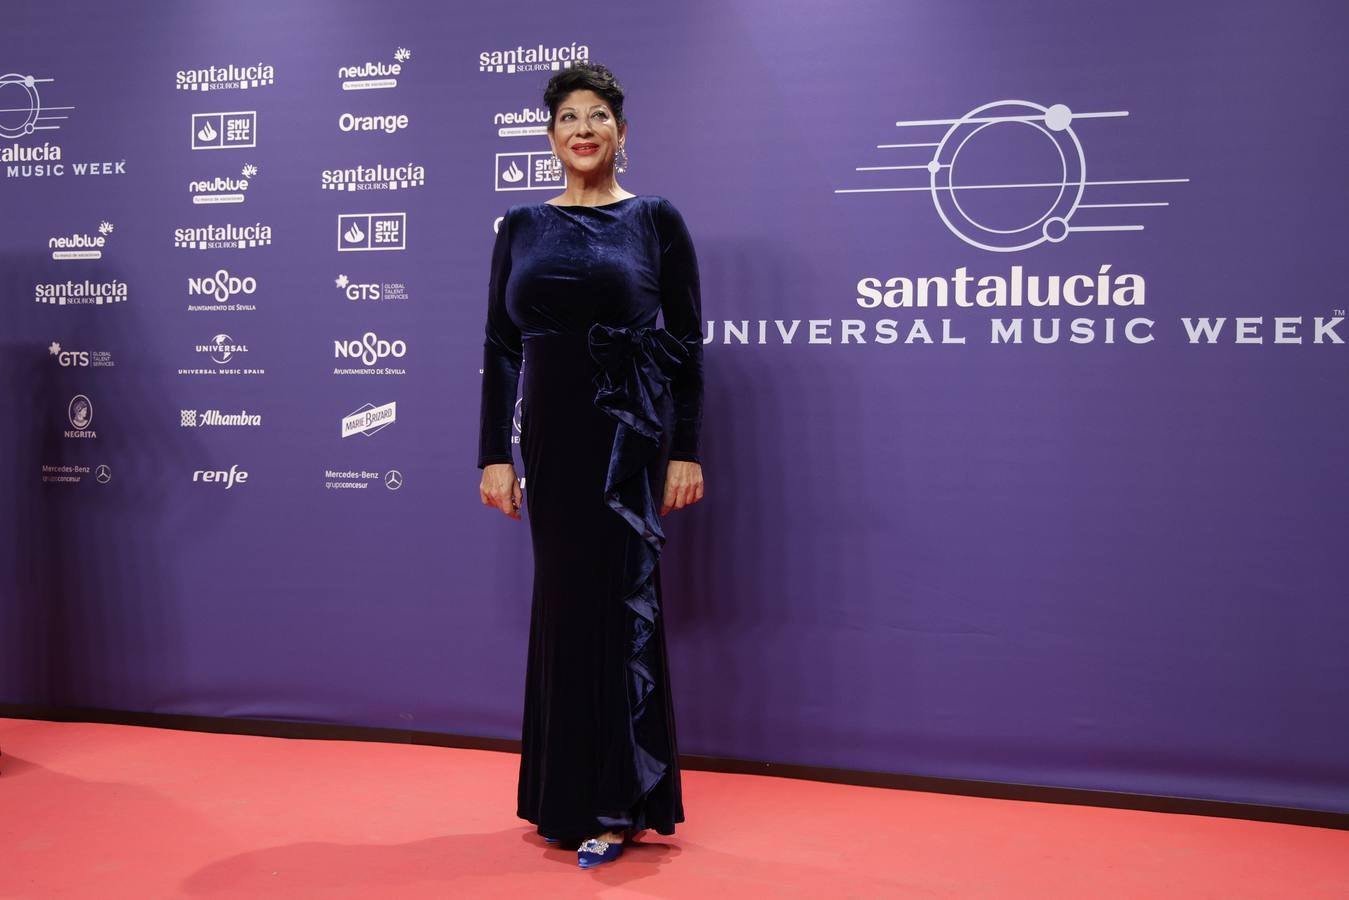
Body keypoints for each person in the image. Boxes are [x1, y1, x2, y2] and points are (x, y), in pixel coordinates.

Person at [476, 62, 705, 870]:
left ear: (620, 133)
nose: (583, 129)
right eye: (568, 117)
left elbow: (684, 345)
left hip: (626, 438)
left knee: (616, 609)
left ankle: (619, 799)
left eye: (598, 116)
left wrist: (683, 447)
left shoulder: (655, 220)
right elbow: (501, 348)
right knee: (563, 608)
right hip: (550, 437)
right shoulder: (520, 228)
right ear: (549, 138)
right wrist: (492, 457)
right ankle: (560, 797)